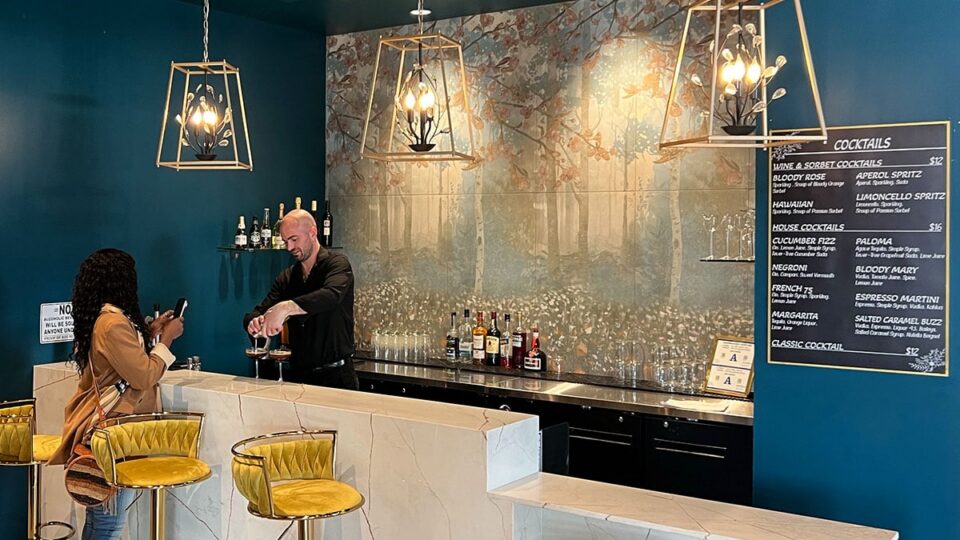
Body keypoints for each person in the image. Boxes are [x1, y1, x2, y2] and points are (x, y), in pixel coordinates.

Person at [49, 249, 184, 540]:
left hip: (112, 427)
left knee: (101, 519)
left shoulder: (109, 319)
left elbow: (122, 358)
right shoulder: (111, 323)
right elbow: (144, 375)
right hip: (113, 429)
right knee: (108, 523)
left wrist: (151, 332)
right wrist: (168, 339)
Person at [244, 209, 358, 390]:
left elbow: (330, 296)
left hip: (337, 378)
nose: (289, 248)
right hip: (298, 378)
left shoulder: (337, 265)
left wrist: (286, 308)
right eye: (285, 241)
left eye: (294, 239)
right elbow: (259, 311)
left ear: (313, 232)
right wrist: (254, 322)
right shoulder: (287, 277)